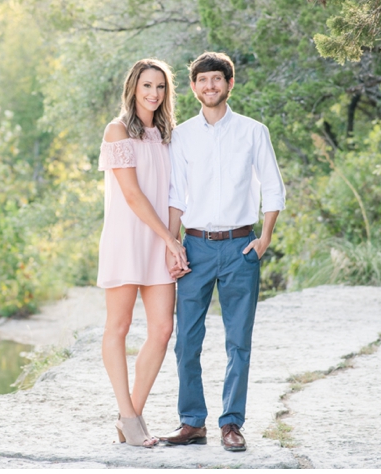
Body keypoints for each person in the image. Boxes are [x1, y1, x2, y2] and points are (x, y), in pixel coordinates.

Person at [160, 52, 285, 451]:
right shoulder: (181, 135)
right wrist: (173, 243)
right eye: (202, 80)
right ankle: (192, 422)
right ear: (193, 87)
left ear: (230, 84)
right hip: (195, 246)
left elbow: (273, 185)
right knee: (186, 340)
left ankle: (231, 423)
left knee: (238, 340)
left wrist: (264, 239)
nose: (210, 86)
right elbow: (176, 194)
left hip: (240, 246)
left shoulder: (253, 131)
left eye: (217, 79)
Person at [97, 59, 189, 448]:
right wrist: (170, 241)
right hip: (126, 237)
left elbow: (174, 193)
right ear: (133, 87)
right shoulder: (117, 130)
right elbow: (132, 195)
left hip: (161, 240)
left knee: (163, 330)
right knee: (117, 328)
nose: (154, 94)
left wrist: (172, 239)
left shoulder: (169, 135)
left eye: (161, 87)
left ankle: (130, 415)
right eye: (147, 86)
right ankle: (130, 417)